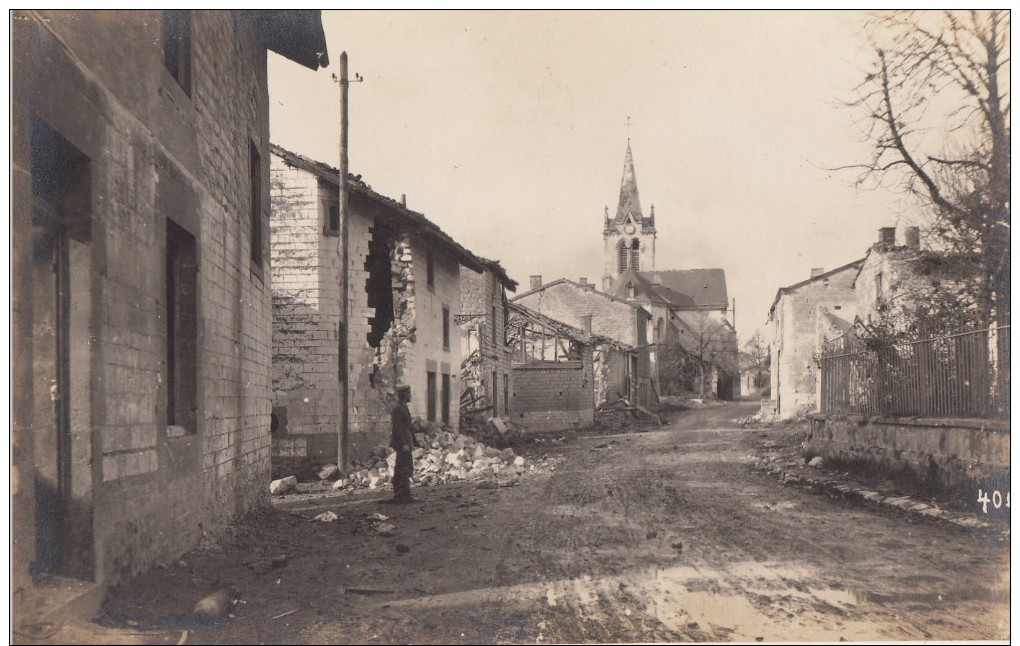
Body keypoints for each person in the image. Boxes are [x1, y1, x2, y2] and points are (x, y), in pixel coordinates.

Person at [390, 385, 414, 503]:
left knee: (405, 467)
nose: (411, 395)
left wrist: (412, 442)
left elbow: (408, 427)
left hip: (407, 442)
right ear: (405, 395)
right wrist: (403, 443)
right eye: (409, 393)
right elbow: (397, 428)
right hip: (402, 443)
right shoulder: (398, 409)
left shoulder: (403, 407)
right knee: (403, 468)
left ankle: (402, 494)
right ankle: (402, 495)